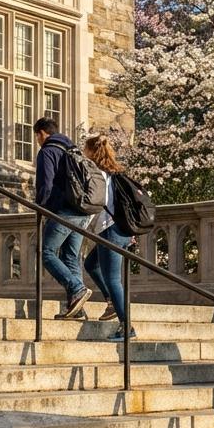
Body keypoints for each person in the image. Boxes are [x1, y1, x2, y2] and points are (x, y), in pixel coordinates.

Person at [33, 117, 91, 319]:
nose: (38, 141)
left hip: (63, 211)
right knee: (70, 257)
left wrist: (41, 207)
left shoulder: (47, 151)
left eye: (37, 137)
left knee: (46, 252)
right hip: (82, 211)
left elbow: (46, 184)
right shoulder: (73, 149)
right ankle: (77, 308)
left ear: (41, 133)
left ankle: (77, 288)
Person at [82, 135, 134, 342]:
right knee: (91, 264)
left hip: (110, 230)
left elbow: (97, 202)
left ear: (91, 152)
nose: (84, 153)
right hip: (119, 229)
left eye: (85, 149)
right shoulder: (113, 173)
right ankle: (112, 302)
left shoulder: (98, 174)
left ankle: (127, 326)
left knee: (113, 280)